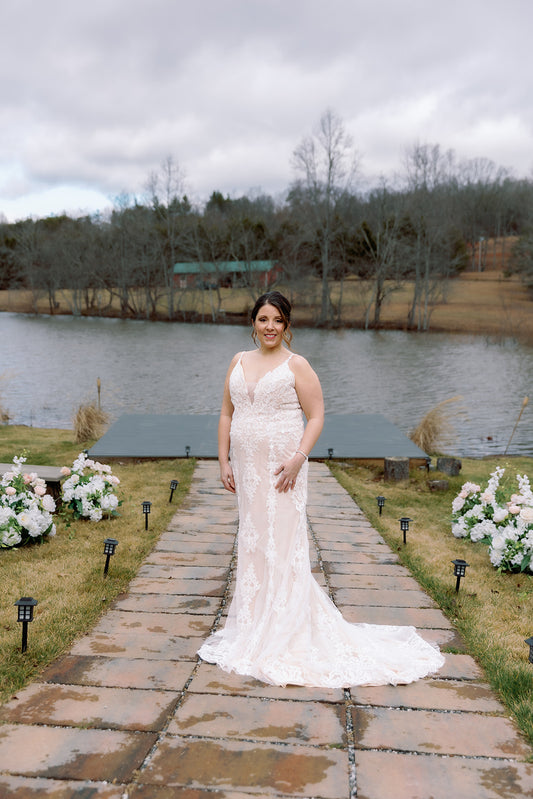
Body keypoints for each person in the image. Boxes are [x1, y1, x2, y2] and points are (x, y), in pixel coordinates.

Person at [198, 291, 444, 687]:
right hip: (247, 470)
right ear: (253, 323)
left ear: (287, 325)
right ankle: (252, 623)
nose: (270, 327)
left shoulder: (298, 365)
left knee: (282, 542)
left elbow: (316, 415)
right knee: (254, 540)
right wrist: (223, 460)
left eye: (278, 320)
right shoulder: (237, 362)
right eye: (263, 319)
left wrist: (299, 456)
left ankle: (285, 627)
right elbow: (227, 413)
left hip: (283, 469)